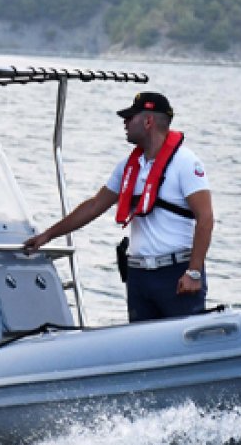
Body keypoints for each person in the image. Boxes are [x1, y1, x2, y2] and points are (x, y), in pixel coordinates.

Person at [23, 91, 214, 321]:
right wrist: (47, 235)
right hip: (139, 277)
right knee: (140, 341)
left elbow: (205, 218)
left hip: (175, 274)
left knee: (182, 339)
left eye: (130, 118)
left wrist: (194, 272)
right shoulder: (128, 166)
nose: (125, 123)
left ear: (148, 121)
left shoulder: (186, 163)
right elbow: (94, 206)